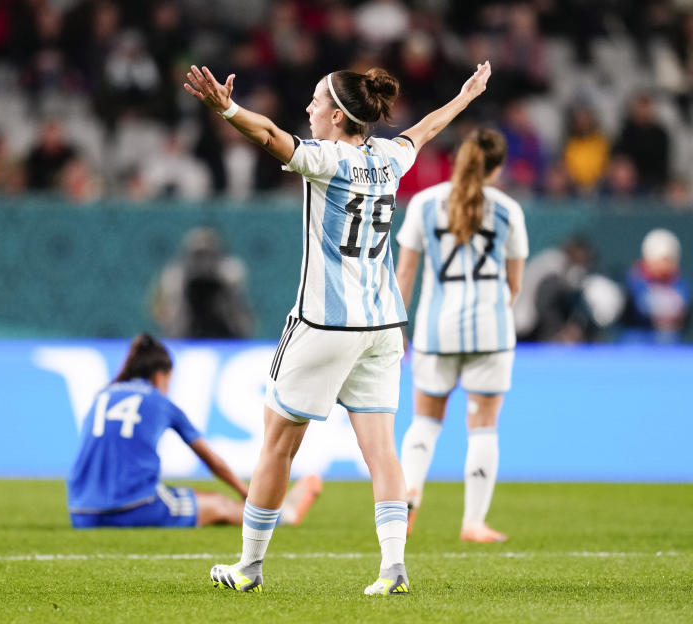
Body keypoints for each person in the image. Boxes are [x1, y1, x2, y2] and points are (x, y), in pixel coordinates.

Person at [183, 59, 492, 595]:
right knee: (382, 450)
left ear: (338, 116)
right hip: (381, 325)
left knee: (277, 446)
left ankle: (248, 567)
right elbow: (426, 130)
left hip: (324, 323)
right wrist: (465, 98)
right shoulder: (390, 161)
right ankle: (393, 569)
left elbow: (269, 135)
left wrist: (226, 108)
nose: (308, 108)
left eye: (316, 101)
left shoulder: (327, 160)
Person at [394, 129, 528, 543]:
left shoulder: (424, 203)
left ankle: (409, 493)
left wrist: (398, 326)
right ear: (498, 167)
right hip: (491, 329)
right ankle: (473, 523)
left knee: (425, 421)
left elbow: (406, 273)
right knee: (483, 426)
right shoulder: (507, 210)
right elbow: (514, 284)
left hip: (437, 329)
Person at [66, 334, 321, 529]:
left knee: (184, 495)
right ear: (160, 375)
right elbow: (213, 462)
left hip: (81, 513)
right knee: (219, 504)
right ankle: (283, 515)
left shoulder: (103, 395)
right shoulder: (160, 402)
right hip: (133, 508)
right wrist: (247, 495)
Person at [622, 228, 690, 344]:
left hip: (673, 350)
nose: (664, 265)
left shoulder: (682, 286)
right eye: (660, 260)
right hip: (637, 350)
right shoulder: (631, 285)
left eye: (668, 260)